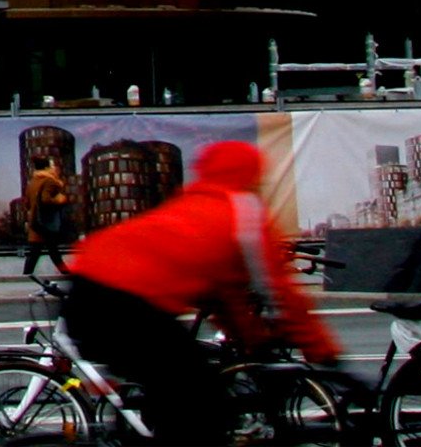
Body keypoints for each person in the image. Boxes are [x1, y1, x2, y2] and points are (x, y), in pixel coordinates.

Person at [59, 139, 339, 447]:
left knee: (173, 387)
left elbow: (223, 294)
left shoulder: (191, 204)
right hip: (123, 307)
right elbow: (280, 292)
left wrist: (251, 340)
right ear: (250, 175)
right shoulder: (241, 213)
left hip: (89, 292)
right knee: (201, 398)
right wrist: (324, 353)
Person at [18, 153, 80, 277]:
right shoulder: (50, 181)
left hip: (36, 222)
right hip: (46, 222)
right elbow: (46, 199)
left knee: (36, 252)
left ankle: (26, 276)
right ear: (47, 168)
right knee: (52, 250)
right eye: (52, 165)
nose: (54, 167)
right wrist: (60, 199)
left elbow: (27, 204)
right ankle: (66, 273)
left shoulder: (32, 182)